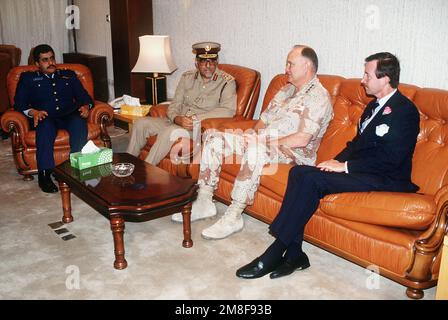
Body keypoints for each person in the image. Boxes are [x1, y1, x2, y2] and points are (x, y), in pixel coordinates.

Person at [236, 52, 420, 280]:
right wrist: (333, 161)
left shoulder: (405, 111)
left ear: (384, 79)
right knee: (300, 172)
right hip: (362, 171)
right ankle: (295, 254)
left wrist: (345, 167)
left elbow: (393, 158)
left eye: (367, 74)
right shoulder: (373, 107)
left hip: (386, 178)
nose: (363, 79)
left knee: (311, 180)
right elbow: (356, 145)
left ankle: (275, 252)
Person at [172, 45, 333, 241]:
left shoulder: (318, 96)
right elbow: (263, 121)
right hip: (265, 141)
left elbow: (302, 139)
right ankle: (205, 200)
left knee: (256, 148)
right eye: (287, 64)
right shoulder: (286, 89)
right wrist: (249, 136)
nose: (286, 69)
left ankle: (234, 214)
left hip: (294, 154)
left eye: (291, 64)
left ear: (307, 66)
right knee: (214, 137)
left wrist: (263, 141)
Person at [126, 41, 237, 165]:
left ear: (217, 62)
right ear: (196, 63)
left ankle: (144, 172)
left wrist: (194, 118)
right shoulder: (187, 77)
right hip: (176, 122)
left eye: (212, 61)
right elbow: (175, 103)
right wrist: (176, 118)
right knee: (141, 123)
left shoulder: (227, 82)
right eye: (203, 61)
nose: (208, 65)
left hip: (197, 128)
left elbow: (228, 110)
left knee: (170, 132)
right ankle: (128, 165)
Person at [14, 44, 93, 193]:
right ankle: (44, 175)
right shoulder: (28, 78)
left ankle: (73, 168)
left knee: (79, 123)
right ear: (37, 64)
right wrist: (33, 112)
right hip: (45, 116)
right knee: (44, 128)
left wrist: (86, 107)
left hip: (69, 114)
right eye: (45, 60)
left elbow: (85, 97)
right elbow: (19, 104)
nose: (51, 63)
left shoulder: (68, 75)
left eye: (52, 58)